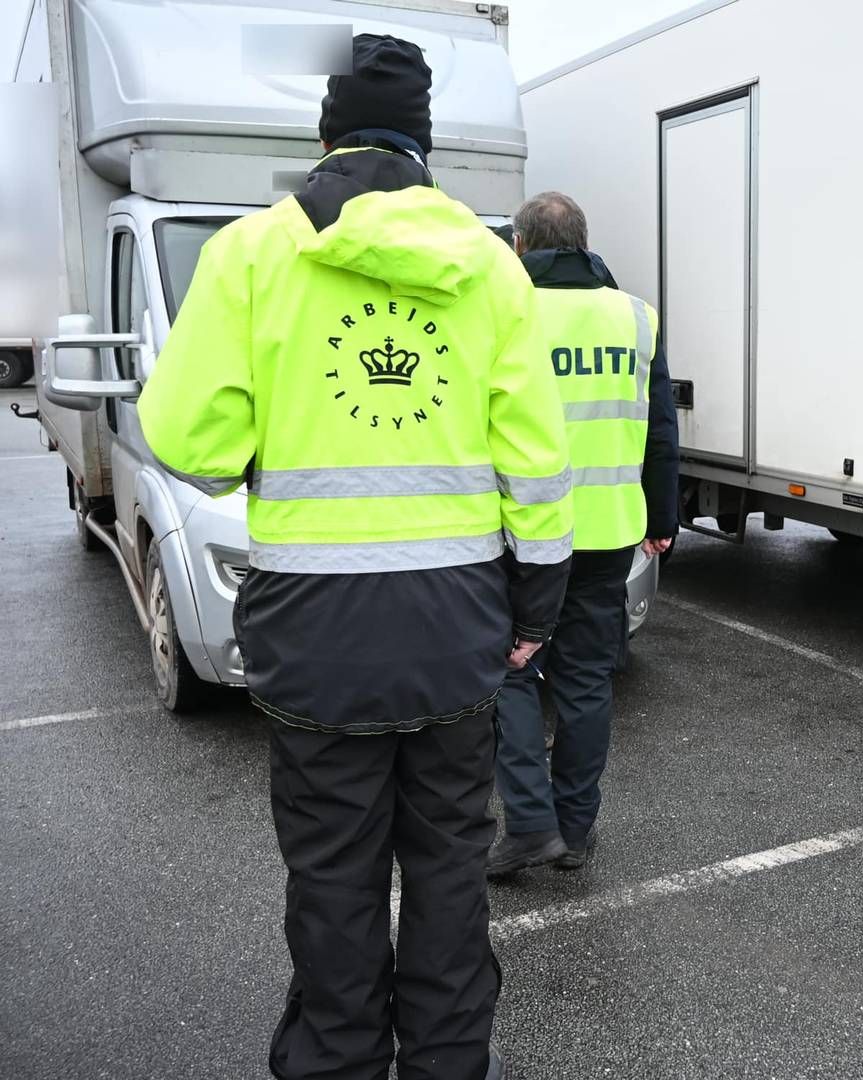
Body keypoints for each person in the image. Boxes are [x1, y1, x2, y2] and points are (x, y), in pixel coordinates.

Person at [137, 34, 573, 1080]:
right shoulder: (492, 266)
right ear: (425, 151)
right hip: (455, 635)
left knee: (333, 884)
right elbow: (540, 469)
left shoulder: (252, 254)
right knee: (448, 876)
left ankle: (333, 1060)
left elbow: (186, 439)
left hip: (313, 639)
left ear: (326, 138)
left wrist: (268, 443)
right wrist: (532, 616)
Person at [487, 192, 679, 876]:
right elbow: (660, 425)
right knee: (586, 682)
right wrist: (663, 518)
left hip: (523, 536)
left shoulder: (508, 310)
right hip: (609, 534)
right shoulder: (635, 316)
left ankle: (531, 824)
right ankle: (575, 831)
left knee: (506, 672)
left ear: (522, 245)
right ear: (581, 241)